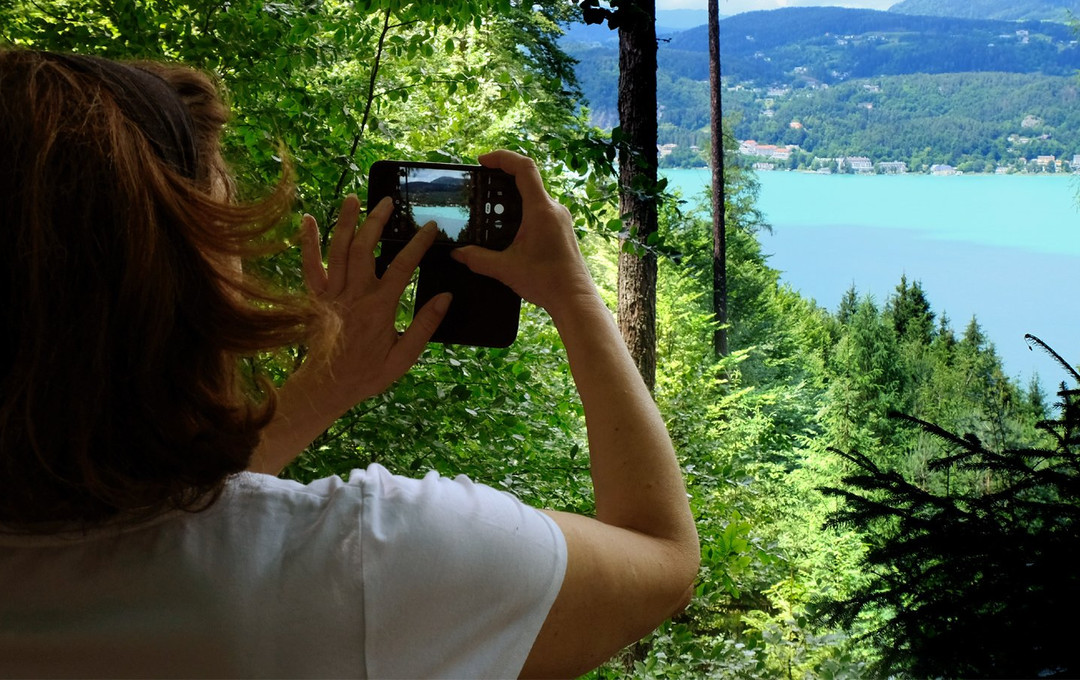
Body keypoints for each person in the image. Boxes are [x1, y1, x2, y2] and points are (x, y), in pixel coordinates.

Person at [0, 47, 699, 679]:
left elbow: (156, 518)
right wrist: (575, 295)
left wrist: (323, 387)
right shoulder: (361, 564)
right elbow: (660, 557)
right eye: (221, 223)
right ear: (177, 287)